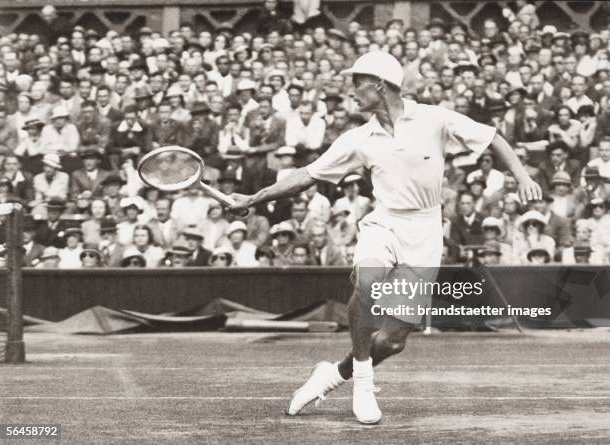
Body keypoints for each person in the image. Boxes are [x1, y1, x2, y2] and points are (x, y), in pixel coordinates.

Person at [228, 51, 541, 424]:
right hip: (384, 223)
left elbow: (493, 139)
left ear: (379, 83)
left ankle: (332, 375)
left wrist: (522, 176)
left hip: (425, 232)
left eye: (357, 83)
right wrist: (253, 198)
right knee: (368, 281)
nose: (352, 92)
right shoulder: (358, 138)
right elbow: (307, 175)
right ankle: (362, 379)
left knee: (392, 341)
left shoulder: (434, 118)